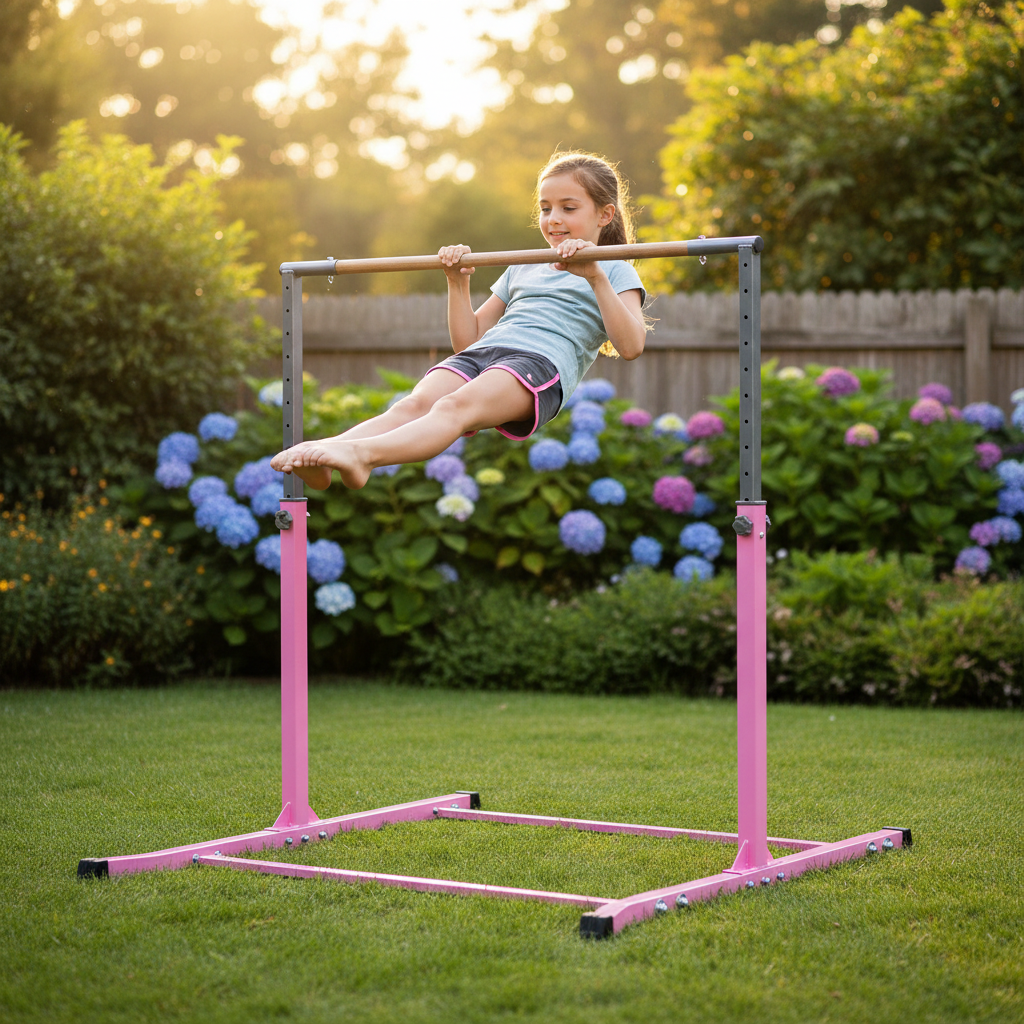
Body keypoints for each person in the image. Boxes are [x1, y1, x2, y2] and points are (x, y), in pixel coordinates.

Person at [270, 151, 647, 491]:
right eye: (546, 208)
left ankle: (362, 456)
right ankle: (326, 453)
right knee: (412, 406)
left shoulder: (614, 269)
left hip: (538, 363)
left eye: (568, 208)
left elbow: (631, 346)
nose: (554, 219)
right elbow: (468, 341)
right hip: (486, 352)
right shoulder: (525, 265)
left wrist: (595, 275)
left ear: (605, 215)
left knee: (453, 407)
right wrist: (457, 282)